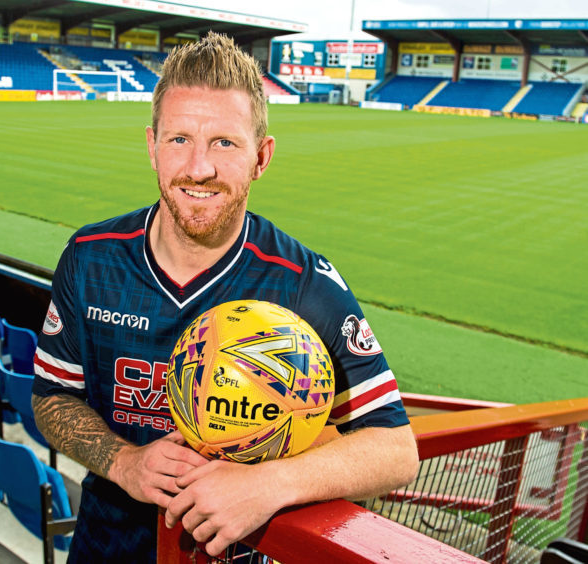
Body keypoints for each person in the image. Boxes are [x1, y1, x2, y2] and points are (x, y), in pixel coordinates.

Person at [32, 31, 419, 563]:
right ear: (151, 146)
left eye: (224, 143)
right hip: (106, 550)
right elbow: (52, 398)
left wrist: (270, 484)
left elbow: (394, 449)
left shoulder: (304, 283)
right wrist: (124, 462)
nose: (198, 168)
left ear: (261, 157)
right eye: (178, 140)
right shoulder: (91, 257)